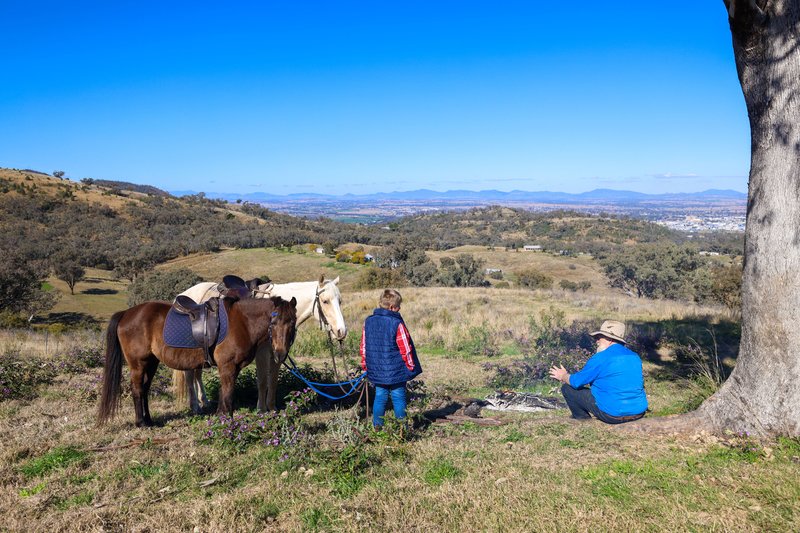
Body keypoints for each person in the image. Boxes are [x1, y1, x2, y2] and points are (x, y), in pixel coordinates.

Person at [549, 320, 647, 424]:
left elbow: (576, 382)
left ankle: (582, 420)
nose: (597, 341)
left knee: (567, 388)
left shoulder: (600, 358)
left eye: (599, 337)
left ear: (609, 339)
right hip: (639, 412)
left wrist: (563, 375)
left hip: (613, 415)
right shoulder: (635, 357)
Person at [360, 289, 422, 428]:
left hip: (377, 369)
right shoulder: (396, 323)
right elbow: (405, 348)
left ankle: (377, 427)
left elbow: (364, 346)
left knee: (380, 397)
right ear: (392, 308)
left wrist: (365, 364)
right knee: (399, 397)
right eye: (399, 306)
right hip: (396, 370)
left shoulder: (368, 321)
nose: (400, 309)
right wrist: (410, 366)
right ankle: (402, 428)